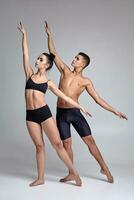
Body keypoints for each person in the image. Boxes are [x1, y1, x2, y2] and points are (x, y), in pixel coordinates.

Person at [45, 21, 128, 184]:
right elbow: (53, 52)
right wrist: (50, 36)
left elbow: (98, 100)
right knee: (66, 144)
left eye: (77, 58)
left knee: (90, 141)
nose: (73, 59)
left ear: (82, 64)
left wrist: (115, 111)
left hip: (74, 113)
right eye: (75, 57)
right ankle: (71, 172)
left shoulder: (85, 81)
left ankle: (104, 167)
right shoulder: (65, 71)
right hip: (61, 113)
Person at [18, 21, 91, 187]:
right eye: (38, 58)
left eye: (41, 59)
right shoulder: (29, 74)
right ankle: (41, 178)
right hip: (30, 115)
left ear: (47, 64)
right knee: (39, 146)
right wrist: (24, 35)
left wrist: (81, 107)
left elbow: (64, 96)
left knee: (57, 144)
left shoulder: (48, 82)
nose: (37, 60)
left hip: (44, 114)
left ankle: (74, 173)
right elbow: (25, 53)